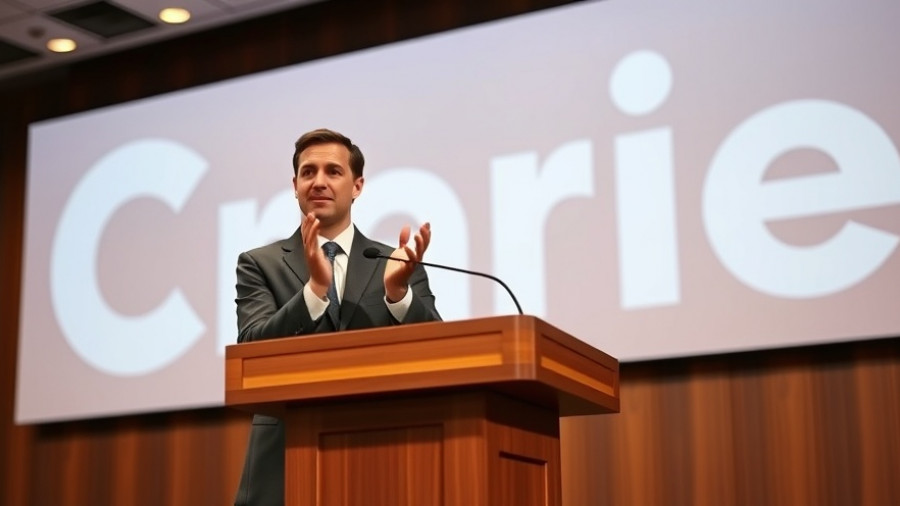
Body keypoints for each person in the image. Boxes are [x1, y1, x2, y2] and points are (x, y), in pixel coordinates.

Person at [232, 128, 442, 506]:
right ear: (294, 185)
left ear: (357, 185)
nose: (319, 181)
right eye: (308, 172)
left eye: (333, 171)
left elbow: (440, 354)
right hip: (284, 462)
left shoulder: (394, 262)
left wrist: (397, 295)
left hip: (382, 458)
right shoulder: (258, 264)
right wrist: (313, 291)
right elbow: (251, 351)